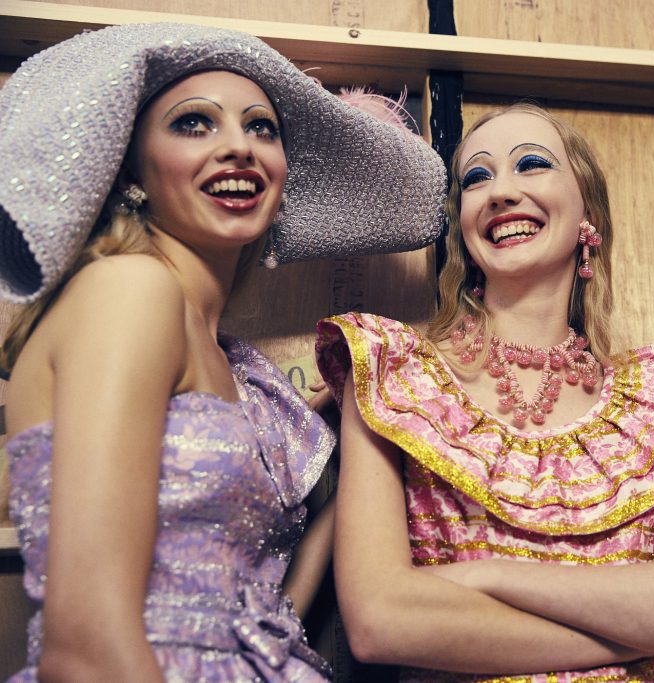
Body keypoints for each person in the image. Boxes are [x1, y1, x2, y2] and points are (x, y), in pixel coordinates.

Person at [0, 22, 445, 682]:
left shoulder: (243, 371)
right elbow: (86, 645)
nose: (239, 146)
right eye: (194, 123)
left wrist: (362, 431)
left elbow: (262, 617)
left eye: (261, 127)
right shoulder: (129, 289)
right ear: (132, 169)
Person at [315, 102, 654, 682]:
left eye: (532, 164)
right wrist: (651, 616)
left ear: (587, 211)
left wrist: (483, 576)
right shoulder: (393, 374)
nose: (501, 191)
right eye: (477, 177)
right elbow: (381, 622)